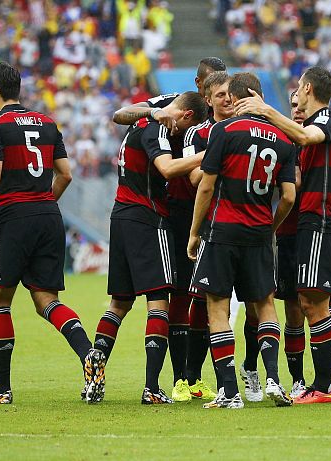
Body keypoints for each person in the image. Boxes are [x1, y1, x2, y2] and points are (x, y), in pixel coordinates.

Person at [0, 62, 105, 405]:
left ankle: (1, 389)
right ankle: (88, 353)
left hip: (12, 217)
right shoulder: (47, 123)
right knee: (46, 300)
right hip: (49, 216)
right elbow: (65, 174)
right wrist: (42, 204)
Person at [235, 66, 331, 404]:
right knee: (314, 303)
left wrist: (266, 111)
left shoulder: (327, 121)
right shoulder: (316, 130)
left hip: (322, 221)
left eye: (298, 89)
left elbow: (310, 140)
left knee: (313, 304)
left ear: (308, 88)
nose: (294, 97)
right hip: (316, 223)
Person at [111, 56, 227, 403]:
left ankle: (192, 377)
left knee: (205, 297)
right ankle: (177, 378)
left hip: (208, 214)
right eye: (208, 88)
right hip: (173, 212)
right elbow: (120, 114)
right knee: (174, 294)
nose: (214, 96)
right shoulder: (170, 106)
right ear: (197, 84)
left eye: (219, 90)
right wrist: (152, 113)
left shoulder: (225, 118)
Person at [188, 72, 298, 409]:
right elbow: (290, 196)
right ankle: (275, 381)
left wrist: (194, 232)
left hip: (222, 230)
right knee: (264, 304)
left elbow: (206, 185)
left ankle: (229, 393)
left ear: (237, 98)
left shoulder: (222, 131)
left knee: (217, 306)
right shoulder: (283, 139)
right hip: (258, 232)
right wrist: (270, 226)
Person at [92, 91, 208, 405]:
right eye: (189, 127)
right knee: (159, 301)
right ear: (185, 116)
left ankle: (95, 365)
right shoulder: (156, 128)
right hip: (147, 217)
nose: (184, 135)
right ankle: (152, 387)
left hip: (121, 215)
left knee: (119, 303)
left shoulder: (142, 119)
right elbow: (168, 169)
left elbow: (119, 113)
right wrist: (210, 154)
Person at [180, 70, 233, 402]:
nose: (227, 99)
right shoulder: (197, 134)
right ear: (208, 99)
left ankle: (241, 379)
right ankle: (189, 377)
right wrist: (223, 154)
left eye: (230, 94)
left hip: (241, 225)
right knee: (200, 303)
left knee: (245, 305)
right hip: (206, 226)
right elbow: (194, 179)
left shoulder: (243, 128)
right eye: (220, 95)